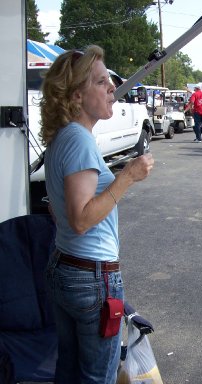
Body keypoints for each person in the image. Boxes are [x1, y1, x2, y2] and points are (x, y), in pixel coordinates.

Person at [40, 45, 154, 383]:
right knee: (97, 376)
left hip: (68, 266)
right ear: (77, 95)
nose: (111, 88)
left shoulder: (64, 137)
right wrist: (127, 176)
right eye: (101, 81)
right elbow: (80, 218)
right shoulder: (78, 140)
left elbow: (58, 211)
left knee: (70, 369)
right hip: (92, 278)